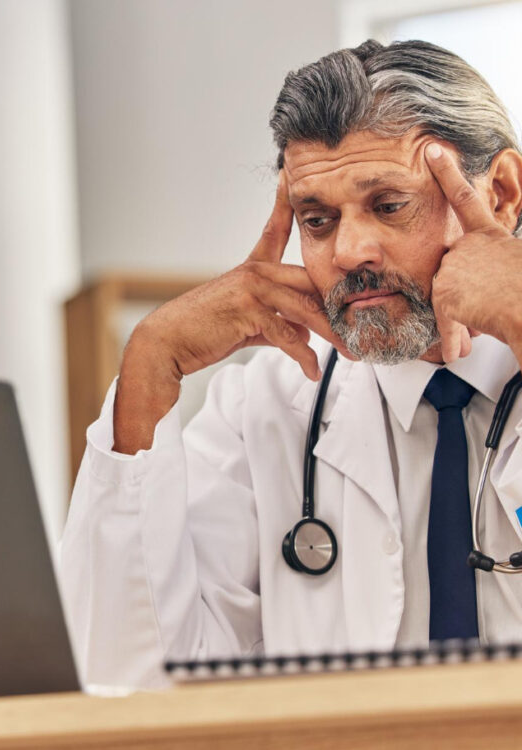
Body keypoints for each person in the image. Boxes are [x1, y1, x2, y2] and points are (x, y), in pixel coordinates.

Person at [59, 39, 522, 690]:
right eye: (318, 219)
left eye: (389, 206)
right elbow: (127, 682)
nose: (351, 251)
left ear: (501, 193)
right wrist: (150, 358)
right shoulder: (270, 406)